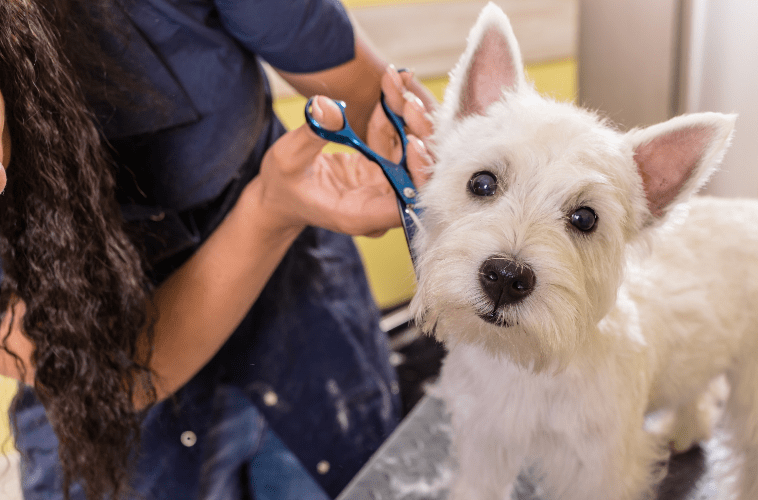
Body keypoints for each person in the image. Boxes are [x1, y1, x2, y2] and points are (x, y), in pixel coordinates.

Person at [1, 0, 435, 499]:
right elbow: (105, 379)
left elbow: (373, 100)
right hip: (97, 369)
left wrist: (403, 138)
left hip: (300, 299)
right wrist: (272, 210)